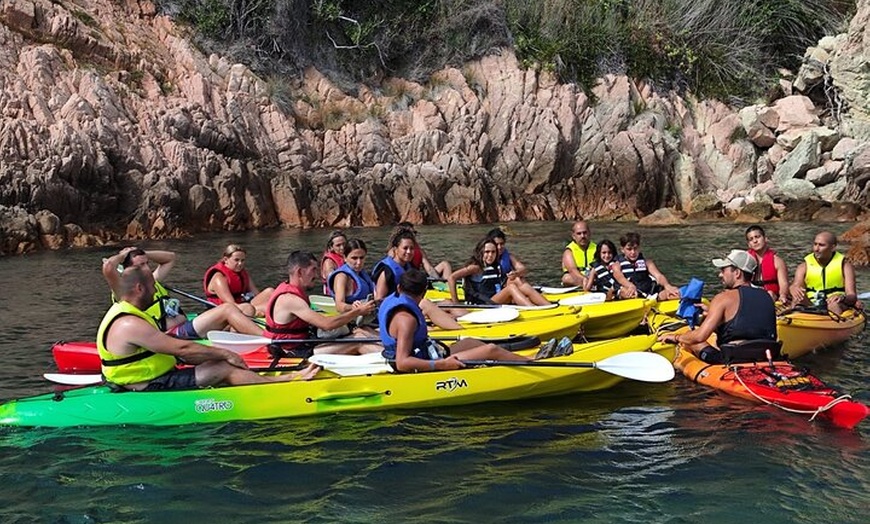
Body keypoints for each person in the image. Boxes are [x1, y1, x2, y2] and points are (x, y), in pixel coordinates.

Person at [97, 265, 318, 391]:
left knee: (214, 360)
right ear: (139, 288)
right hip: (146, 384)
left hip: (159, 373)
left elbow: (180, 351)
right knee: (223, 367)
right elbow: (182, 350)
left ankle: (264, 377)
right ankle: (285, 382)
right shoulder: (128, 322)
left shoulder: (129, 309)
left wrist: (211, 355)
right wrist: (225, 354)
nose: (156, 293)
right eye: (153, 288)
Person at [380, 269, 557, 372]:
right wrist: (441, 364)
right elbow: (402, 363)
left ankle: (519, 358)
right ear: (424, 292)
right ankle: (533, 363)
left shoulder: (393, 299)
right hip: (421, 365)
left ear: (399, 287)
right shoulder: (406, 319)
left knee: (470, 342)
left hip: (428, 353)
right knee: (490, 349)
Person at [102, 247, 264, 338]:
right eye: (140, 266)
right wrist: (123, 255)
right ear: (127, 269)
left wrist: (140, 253)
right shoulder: (124, 290)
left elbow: (170, 257)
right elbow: (109, 267)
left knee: (246, 309)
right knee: (228, 309)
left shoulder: (151, 280)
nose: (146, 268)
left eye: (146, 264)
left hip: (184, 327)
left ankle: (245, 341)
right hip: (170, 335)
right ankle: (270, 340)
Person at [658, 250, 776, 364]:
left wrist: (676, 337)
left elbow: (699, 336)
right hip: (768, 355)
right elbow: (748, 324)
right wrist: (714, 315)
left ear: (737, 273)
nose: (720, 274)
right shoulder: (767, 296)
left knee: (692, 342)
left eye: (723, 270)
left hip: (734, 358)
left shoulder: (723, 298)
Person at [264, 251, 381, 355]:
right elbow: (327, 324)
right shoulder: (290, 299)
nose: (316, 275)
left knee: (360, 331)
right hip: (294, 350)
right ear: (300, 272)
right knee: (358, 341)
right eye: (313, 270)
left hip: (304, 343)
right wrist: (358, 311)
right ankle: (394, 361)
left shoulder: (290, 289)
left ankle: (391, 347)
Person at [374, 230, 464, 330]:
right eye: (405, 248)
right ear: (395, 249)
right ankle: (458, 329)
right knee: (425, 304)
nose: (409, 252)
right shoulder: (386, 272)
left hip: (411, 306)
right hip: (394, 312)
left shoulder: (409, 266)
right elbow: (379, 301)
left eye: (411, 248)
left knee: (448, 302)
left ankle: (469, 320)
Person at [447, 237, 550, 306]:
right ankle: (533, 310)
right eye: (487, 252)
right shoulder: (476, 267)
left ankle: (548, 305)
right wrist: (456, 304)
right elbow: (452, 278)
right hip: (483, 304)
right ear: (481, 252)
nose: (490, 255)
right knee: (511, 288)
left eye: (493, 252)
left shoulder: (495, 266)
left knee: (517, 280)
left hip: (494, 300)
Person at [789, 231, 859, 315]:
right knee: (797, 299)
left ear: (833, 247)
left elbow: (852, 296)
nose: (816, 249)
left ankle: (835, 326)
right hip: (811, 303)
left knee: (833, 305)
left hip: (835, 303)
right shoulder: (803, 267)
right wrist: (793, 288)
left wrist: (842, 297)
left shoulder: (845, 267)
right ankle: (795, 322)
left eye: (821, 245)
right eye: (815, 244)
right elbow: (796, 285)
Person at [203, 244, 274, 317]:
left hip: (243, 305)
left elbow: (256, 294)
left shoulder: (242, 273)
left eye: (242, 260)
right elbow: (231, 304)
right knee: (267, 308)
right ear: (226, 260)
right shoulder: (219, 278)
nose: (240, 264)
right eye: (236, 260)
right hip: (226, 310)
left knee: (270, 291)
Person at [613, 232, 681, 300]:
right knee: (627, 292)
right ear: (622, 250)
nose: (633, 252)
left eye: (635, 248)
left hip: (648, 293)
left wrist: (667, 286)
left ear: (639, 248)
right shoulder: (617, 265)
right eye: (629, 249)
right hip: (628, 291)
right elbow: (619, 277)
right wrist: (630, 285)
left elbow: (658, 276)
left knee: (675, 294)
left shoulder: (647, 263)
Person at [327, 238, 376, 314]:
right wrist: (355, 307)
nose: (359, 262)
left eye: (362, 258)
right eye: (354, 258)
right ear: (345, 258)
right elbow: (339, 306)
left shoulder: (362, 273)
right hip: (351, 320)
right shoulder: (341, 276)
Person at [745, 225, 789, 304]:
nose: (755, 241)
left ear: (765, 239)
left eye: (757, 237)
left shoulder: (777, 261)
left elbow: (783, 284)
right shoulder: (745, 260)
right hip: (750, 295)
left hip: (771, 296)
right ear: (749, 244)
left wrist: (783, 295)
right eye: (751, 239)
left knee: (770, 294)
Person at [561, 221, 597, 287]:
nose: (582, 236)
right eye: (579, 234)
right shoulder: (569, 251)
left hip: (594, 278)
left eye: (585, 233)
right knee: (566, 278)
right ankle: (590, 286)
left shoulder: (597, 248)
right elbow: (572, 271)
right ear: (574, 236)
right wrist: (586, 279)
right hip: (578, 280)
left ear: (589, 233)